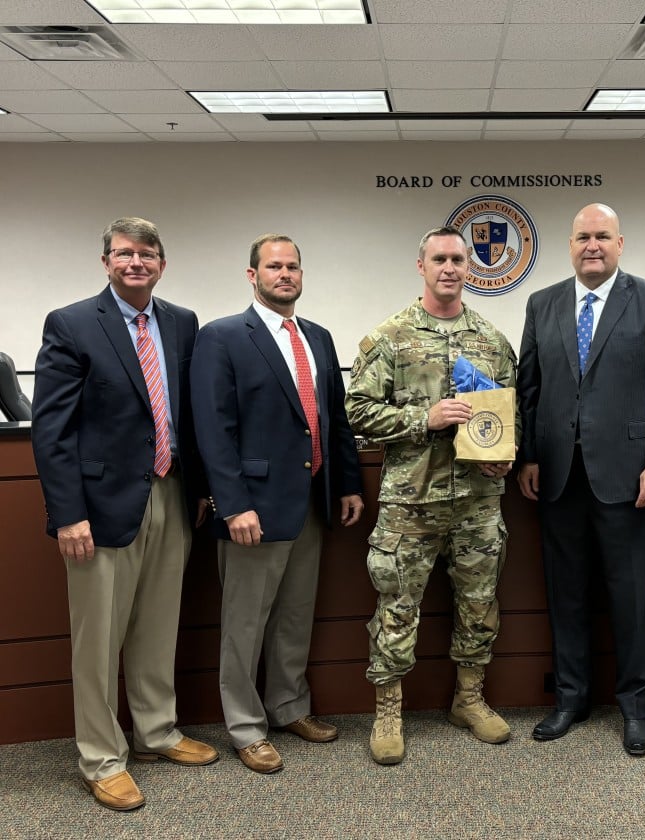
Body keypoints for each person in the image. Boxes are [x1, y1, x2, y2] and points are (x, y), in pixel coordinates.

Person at [32, 217, 219, 811]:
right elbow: (51, 428)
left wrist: (201, 488)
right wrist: (68, 513)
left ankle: (156, 733)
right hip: (98, 507)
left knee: (158, 623)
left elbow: (189, 416)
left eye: (146, 253)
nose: (135, 262)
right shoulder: (72, 324)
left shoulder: (183, 323)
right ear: (107, 261)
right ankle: (100, 756)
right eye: (123, 253)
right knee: (98, 637)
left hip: (169, 491)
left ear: (162, 262)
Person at [517, 203, 645, 756]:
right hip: (559, 479)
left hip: (632, 477)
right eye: (582, 237)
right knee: (565, 594)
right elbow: (530, 388)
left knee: (632, 597)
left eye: (602, 237)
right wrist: (528, 457)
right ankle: (571, 698)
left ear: (621, 243)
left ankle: (636, 709)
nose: (592, 245)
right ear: (570, 245)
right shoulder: (542, 303)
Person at [190, 234, 363, 774]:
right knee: (245, 623)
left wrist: (348, 483)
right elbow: (212, 431)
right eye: (273, 266)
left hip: (311, 500)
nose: (284, 274)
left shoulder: (318, 337)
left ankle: (289, 706)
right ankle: (245, 727)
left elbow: (333, 419)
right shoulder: (222, 337)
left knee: (294, 615)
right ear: (252, 275)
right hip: (253, 510)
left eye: (292, 266)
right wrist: (232, 505)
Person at [345, 225, 517, 766]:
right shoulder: (390, 338)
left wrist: (507, 449)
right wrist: (426, 417)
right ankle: (388, 710)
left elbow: (513, 413)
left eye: (458, 260)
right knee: (397, 609)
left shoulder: (492, 341)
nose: (449, 268)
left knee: (479, 605)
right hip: (410, 504)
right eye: (439, 258)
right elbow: (356, 412)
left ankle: (468, 699)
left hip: (477, 500)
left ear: (470, 270)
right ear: (421, 266)